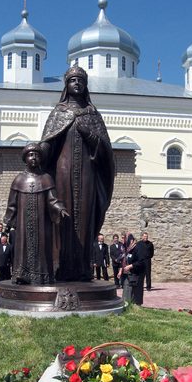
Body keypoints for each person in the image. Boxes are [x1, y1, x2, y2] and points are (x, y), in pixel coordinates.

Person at [41, 65, 114, 281]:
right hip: (62, 173)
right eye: (73, 80)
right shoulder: (58, 112)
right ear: (66, 84)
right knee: (62, 218)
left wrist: (90, 136)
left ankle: (82, 268)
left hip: (87, 175)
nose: (77, 84)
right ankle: (59, 267)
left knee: (84, 219)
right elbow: (49, 143)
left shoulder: (92, 114)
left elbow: (106, 151)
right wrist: (39, 150)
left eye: (80, 81)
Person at [4, 143, 68, 285]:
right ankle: (22, 275)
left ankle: (42, 277)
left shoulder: (46, 178)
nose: (34, 158)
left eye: (37, 155)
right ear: (25, 158)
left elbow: (52, 200)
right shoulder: (19, 180)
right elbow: (12, 204)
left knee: (42, 249)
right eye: (31, 155)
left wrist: (60, 209)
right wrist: (8, 221)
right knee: (23, 248)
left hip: (42, 223)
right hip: (23, 224)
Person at [118, 233, 146, 305]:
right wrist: (121, 270)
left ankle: (134, 305)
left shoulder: (138, 248)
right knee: (126, 288)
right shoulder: (127, 249)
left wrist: (131, 266)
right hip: (129, 274)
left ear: (129, 240)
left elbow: (141, 261)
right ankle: (125, 304)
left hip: (137, 274)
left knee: (134, 291)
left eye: (123, 238)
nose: (122, 240)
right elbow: (124, 260)